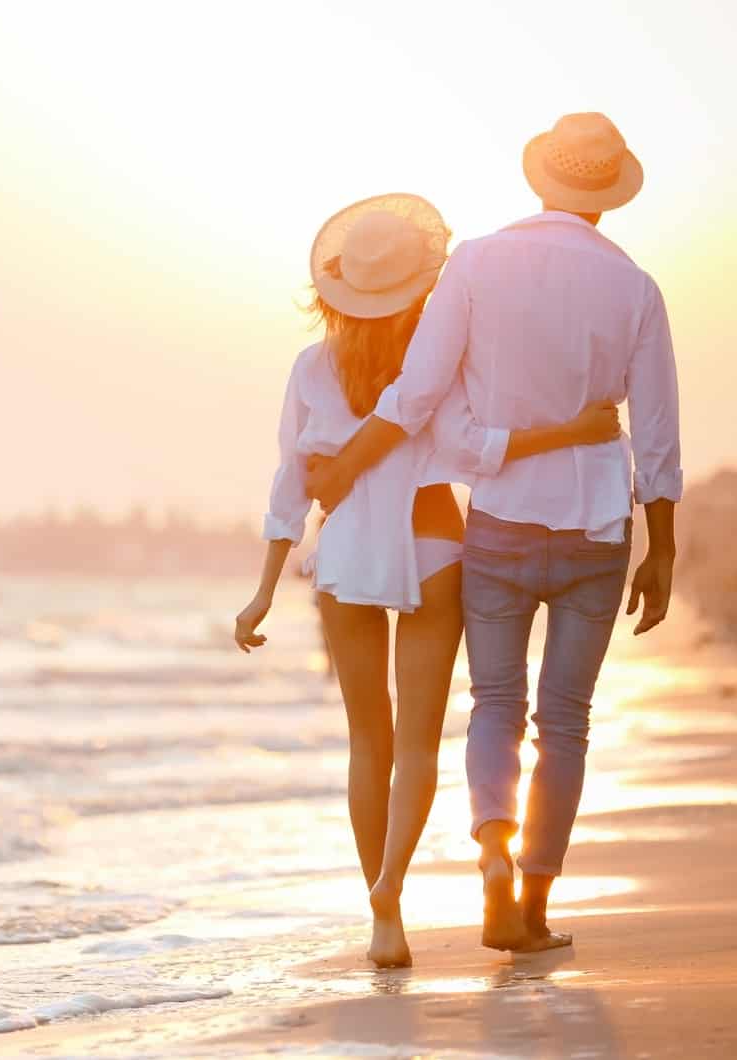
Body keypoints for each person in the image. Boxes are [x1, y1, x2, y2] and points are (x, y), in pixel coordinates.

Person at [306, 113, 683, 954]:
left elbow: (415, 395)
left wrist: (341, 470)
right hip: (596, 525)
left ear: (538, 179)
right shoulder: (637, 289)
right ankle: (535, 905)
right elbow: (655, 430)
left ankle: (491, 858)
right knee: (567, 719)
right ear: (607, 196)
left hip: (502, 524)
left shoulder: (475, 262)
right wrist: (664, 546)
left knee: (497, 705)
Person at [233, 193, 620, 967]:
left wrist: (265, 588)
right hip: (436, 543)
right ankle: (391, 878)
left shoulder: (312, 369)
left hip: (344, 558)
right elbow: (477, 448)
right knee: (417, 745)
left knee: (366, 741)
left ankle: (387, 919)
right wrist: (575, 430)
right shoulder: (443, 362)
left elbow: (290, 483)